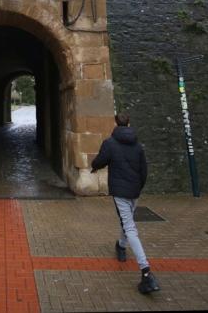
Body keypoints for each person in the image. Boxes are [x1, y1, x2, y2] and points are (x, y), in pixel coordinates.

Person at [91, 113, 160, 294]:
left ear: (116, 123)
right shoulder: (137, 145)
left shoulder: (110, 143)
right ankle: (121, 246)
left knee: (129, 226)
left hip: (120, 191)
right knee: (127, 221)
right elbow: (144, 170)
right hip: (134, 190)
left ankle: (146, 272)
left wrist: (94, 166)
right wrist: (138, 186)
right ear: (129, 123)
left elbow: (101, 160)